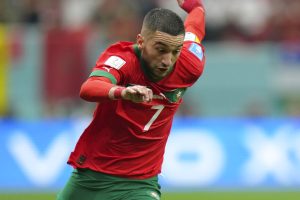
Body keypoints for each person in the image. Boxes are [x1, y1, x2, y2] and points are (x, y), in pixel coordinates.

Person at [57, 0, 206, 199]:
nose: (167, 60)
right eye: (160, 49)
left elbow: (195, 25)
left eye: (175, 51)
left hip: (141, 182)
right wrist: (122, 92)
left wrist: (194, 5)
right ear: (141, 41)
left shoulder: (190, 64)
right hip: (92, 176)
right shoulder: (123, 59)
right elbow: (89, 88)